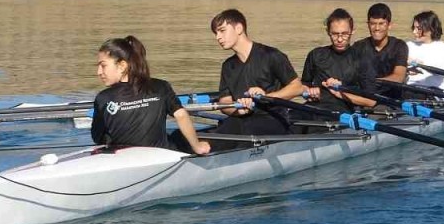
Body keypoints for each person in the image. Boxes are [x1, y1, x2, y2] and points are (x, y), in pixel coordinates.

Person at [91, 36, 210, 155]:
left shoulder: (103, 98)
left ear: (122, 66)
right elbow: (181, 115)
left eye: (103, 65)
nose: (99, 72)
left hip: (124, 158)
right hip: (161, 155)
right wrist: (197, 146)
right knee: (177, 136)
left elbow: (97, 137)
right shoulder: (161, 87)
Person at [208, 8, 305, 148]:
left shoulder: (271, 56)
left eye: (222, 31)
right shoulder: (228, 66)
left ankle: (207, 149)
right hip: (242, 119)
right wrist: (239, 110)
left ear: (239, 28)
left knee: (234, 129)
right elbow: (225, 101)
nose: (218, 37)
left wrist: (266, 97)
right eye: (216, 33)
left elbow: (297, 87)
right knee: (230, 126)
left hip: (273, 120)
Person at [301, 8, 378, 112]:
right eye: (335, 34)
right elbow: (303, 86)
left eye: (345, 34)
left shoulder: (362, 59)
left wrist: (340, 93)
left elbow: (371, 102)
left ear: (352, 31)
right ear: (328, 32)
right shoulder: (315, 55)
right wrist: (308, 92)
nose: (340, 39)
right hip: (313, 107)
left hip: (342, 111)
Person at [353, 2, 408, 85]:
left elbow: (399, 76)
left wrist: (373, 82)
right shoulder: (358, 47)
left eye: (381, 24)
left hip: (391, 95)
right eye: (373, 24)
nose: (377, 28)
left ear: (389, 25)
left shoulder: (399, 46)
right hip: (364, 94)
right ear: (368, 25)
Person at [406, 10, 444, 92]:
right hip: (410, 88)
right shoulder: (408, 45)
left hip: (436, 91)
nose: (414, 32)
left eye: (419, 29)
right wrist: (405, 70)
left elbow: (440, 70)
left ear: (430, 29)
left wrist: (417, 64)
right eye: (414, 28)